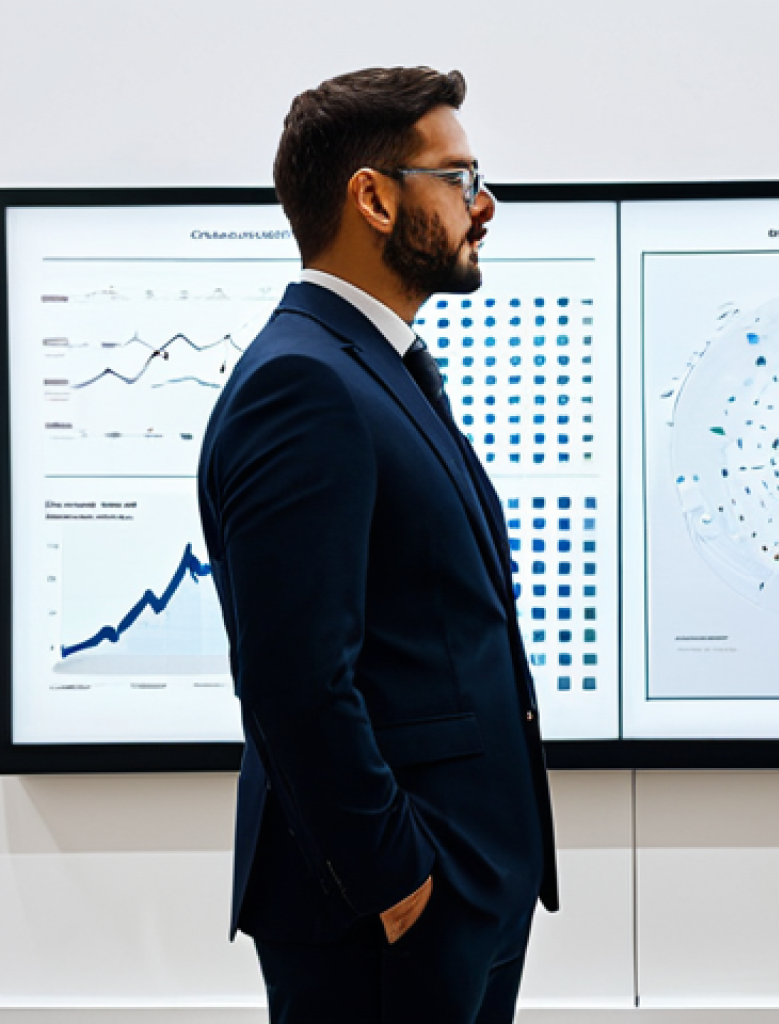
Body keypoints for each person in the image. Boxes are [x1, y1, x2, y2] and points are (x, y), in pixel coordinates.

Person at [197, 66, 558, 1023]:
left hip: (460, 888)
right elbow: (294, 675)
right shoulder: (304, 385)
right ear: (373, 196)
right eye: (460, 175)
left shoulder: (368, 366)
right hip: (384, 913)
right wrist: (396, 878)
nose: (485, 205)